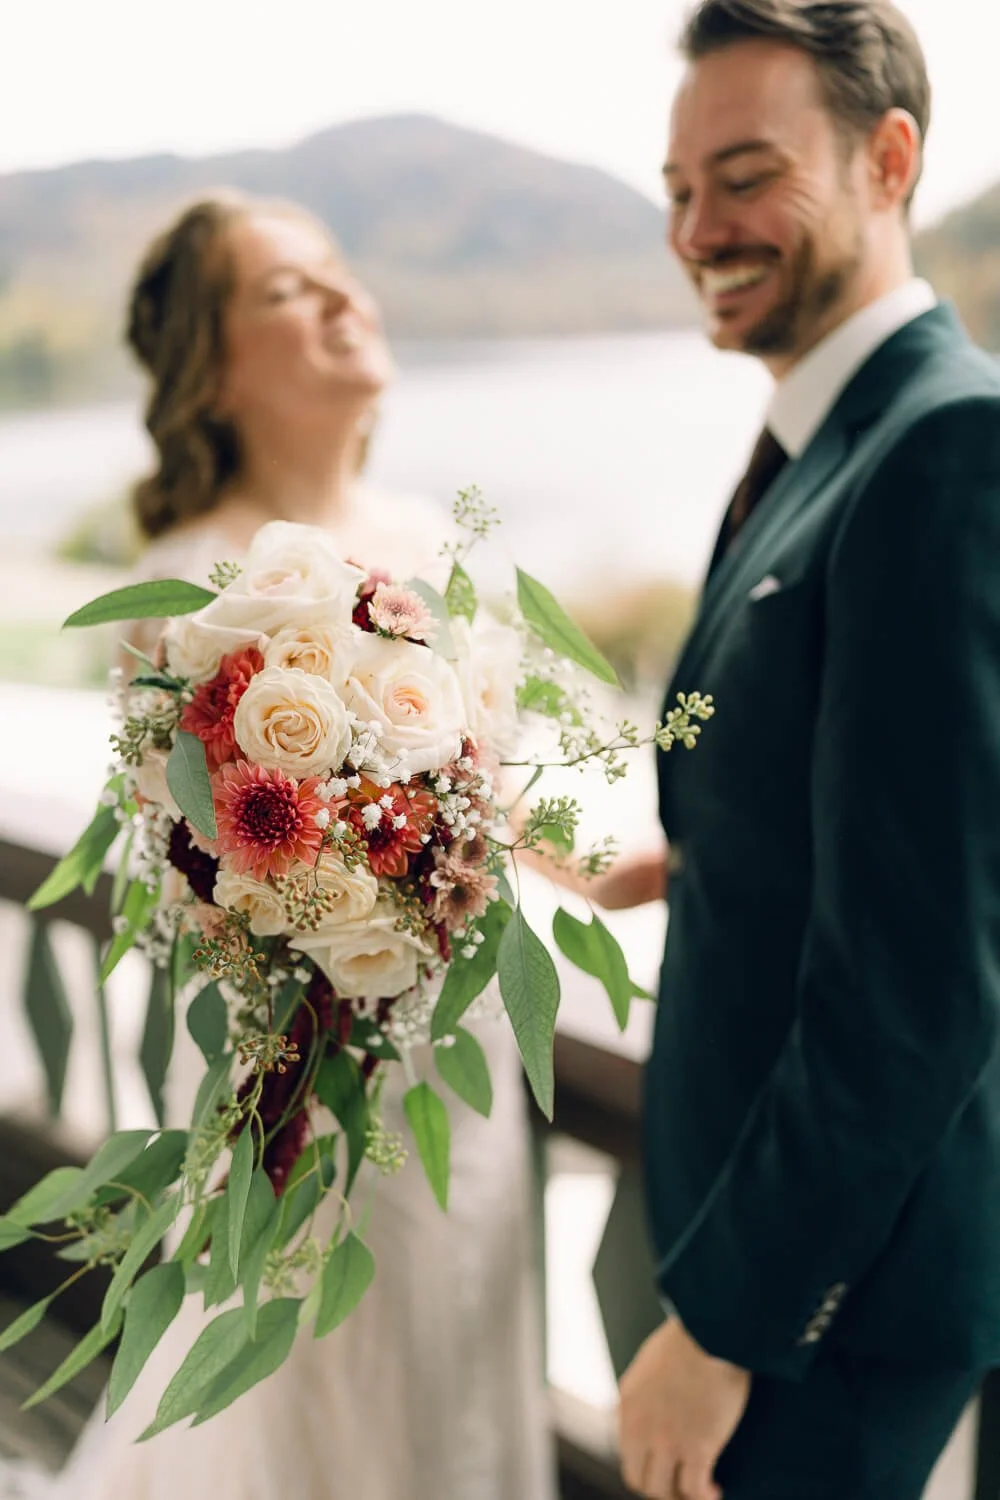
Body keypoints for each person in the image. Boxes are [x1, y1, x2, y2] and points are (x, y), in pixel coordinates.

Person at [55, 193, 556, 1500]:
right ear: (211, 368)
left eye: (343, 272)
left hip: (468, 1071)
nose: (344, 299)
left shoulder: (442, 552)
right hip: (318, 1090)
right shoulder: (188, 599)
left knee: (456, 1406)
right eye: (289, 289)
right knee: (331, 1402)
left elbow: (503, 822)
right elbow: (216, 886)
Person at [592, 3, 1000, 1497]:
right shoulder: (820, 434)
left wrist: (728, 1324)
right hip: (724, 1213)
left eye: (748, 175)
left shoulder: (946, 451)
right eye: (680, 190)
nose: (701, 228)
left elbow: (921, 973)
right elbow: (855, 783)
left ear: (888, 160)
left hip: (822, 1313)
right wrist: (703, 844)